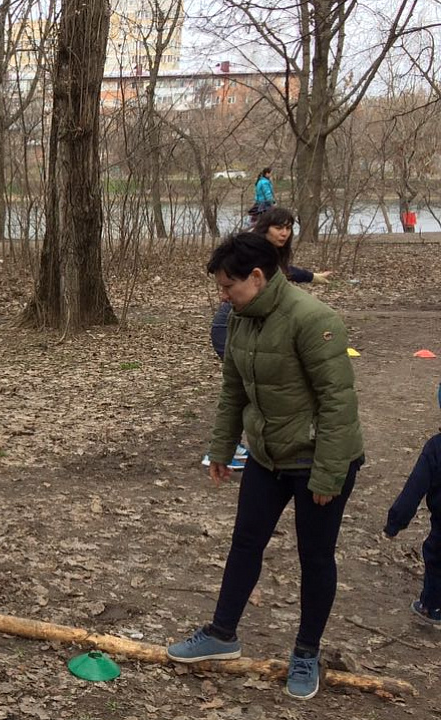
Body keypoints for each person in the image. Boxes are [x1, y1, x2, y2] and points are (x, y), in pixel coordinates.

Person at [168, 232, 364, 701]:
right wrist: (222, 448)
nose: (223, 295)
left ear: (257, 277)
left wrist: (329, 473)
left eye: (228, 286)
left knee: (314, 557)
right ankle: (221, 634)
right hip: (266, 456)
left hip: (318, 458)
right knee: (245, 543)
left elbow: (338, 403)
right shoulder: (241, 320)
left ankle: (306, 652)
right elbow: (233, 390)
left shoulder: (314, 319)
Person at [210, 208, 333, 359]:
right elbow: (282, 272)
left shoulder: (273, 253)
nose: (284, 233)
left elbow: (284, 271)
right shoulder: (251, 250)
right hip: (228, 323)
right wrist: (312, 277)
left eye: (288, 228)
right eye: (278, 228)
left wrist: (313, 277)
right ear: (265, 227)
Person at [383, 387, 441, 627]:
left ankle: (432, 606)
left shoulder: (436, 448)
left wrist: (394, 523)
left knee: (437, 556)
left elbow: (413, 490)